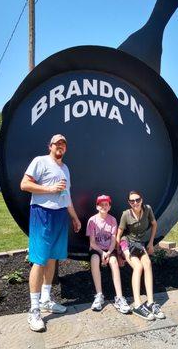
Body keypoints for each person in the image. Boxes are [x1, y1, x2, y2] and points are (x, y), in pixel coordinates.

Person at [20, 134, 81, 332]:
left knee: (53, 258)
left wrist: (74, 217)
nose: (60, 146)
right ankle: (34, 310)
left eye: (64, 143)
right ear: (50, 146)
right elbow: (24, 184)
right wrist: (50, 188)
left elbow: (66, 195)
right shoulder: (40, 161)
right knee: (39, 260)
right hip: (42, 214)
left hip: (60, 215)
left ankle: (46, 299)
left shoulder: (65, 168)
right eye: (57, 143)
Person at [116, 191, 166, 321]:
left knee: (147, 264)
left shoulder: (148, 209)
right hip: (126, 243)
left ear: (141, 200)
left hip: (139, 244)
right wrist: (119, 253)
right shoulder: (126, 214)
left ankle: (150, 302)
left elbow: (154, 224)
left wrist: (150, 243)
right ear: (129, 203)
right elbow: (119, 234)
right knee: (138, 267)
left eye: (137, 200)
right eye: (132, 201)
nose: (135, 203)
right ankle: (137, 305)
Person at [86, 194, 131, 314]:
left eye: (106, 204)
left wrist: (109, 253)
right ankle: (99, 295)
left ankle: (119, 297)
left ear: (109, 207)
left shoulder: (112, 220)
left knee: (114, 261)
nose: (104, 206)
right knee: (95, 259)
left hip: (109, 249)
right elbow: (92, 243)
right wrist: (102, 253)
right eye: (101, 204)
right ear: (97, 207)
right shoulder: (92, 220)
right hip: (97, 249)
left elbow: (113, 240)